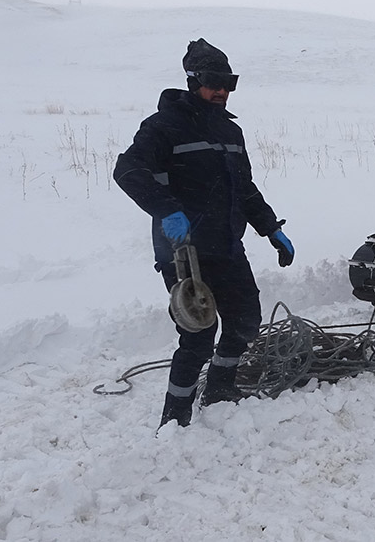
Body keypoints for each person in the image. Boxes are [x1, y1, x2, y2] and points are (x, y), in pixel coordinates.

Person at [114, 38, 295, 428]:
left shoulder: (231, 133)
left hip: (227, 246)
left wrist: (270, 228)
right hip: (184, 251)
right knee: (199, 333)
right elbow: (127, 170)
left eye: (229, 83)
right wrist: (166, 210)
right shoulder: (164, 126)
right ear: (193, 80)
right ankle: (175, 416)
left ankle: (220, 390)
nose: (222, 91)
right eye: (214, 82)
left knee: (246, 321)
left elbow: (244, 188)